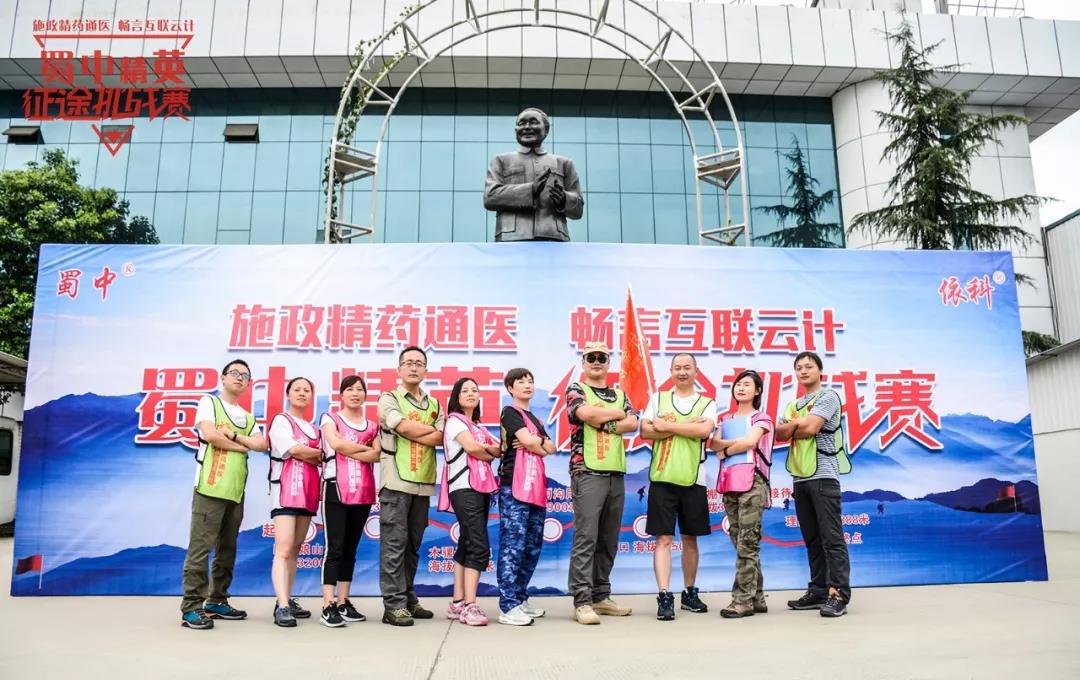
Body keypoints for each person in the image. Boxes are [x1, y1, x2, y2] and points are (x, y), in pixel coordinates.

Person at [180, 359, 268, 630]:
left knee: (227, 549)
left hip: (235, 491)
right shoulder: (210, 403)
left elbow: (261, 444)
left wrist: (234, 437)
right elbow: (210, 435)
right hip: (209, 487)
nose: (239, 378)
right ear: (223, 377)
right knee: (200, 547)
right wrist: (242, 446)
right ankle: (191, 606)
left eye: (245, 375)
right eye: (234, 373)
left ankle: (217, 600)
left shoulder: (248, 416)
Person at [564, 341, 638, 625]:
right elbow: (583, 414)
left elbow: (633, 422)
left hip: (615, 471)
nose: (596, 361)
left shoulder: (620, 394)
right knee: (586, 537)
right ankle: (582, 601)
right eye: (591, 357)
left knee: (608, 538)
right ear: (584, 362)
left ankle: (601, 595)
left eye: (602, 357)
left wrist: (604, 420)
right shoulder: (576, 389)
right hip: (587, 470)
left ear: (609, 363)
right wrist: (616, 415)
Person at [640, 353, 716, 621]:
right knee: (663, 538)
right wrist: (686, 426)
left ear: (696, 371)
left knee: (690, 538)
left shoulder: (707, 403)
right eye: (677, 367)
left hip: (694, 479)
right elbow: (645, 431)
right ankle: (664, 595)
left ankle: (689, 592)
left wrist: (666, 425)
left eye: (687, 367)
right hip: (662, 477)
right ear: (671, 371)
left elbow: (704, 431)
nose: (682, 372)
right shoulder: (658, 399)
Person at [775, 351, 852, 618]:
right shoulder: (794, 404)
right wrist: (799, 423)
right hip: (800, 478)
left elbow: (810, 429)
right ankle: (818, 590)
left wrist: (795, 425)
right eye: (799, 367)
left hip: (824, 476)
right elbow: (779, 434)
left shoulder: (828, 396)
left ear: (820, 371)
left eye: (809, 366)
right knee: (812, 539)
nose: (804, 371)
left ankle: (838, 594)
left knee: (832, 538)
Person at [377, 345, 444, 626]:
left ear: (426, 370)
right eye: (409, 363)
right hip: (396, 482)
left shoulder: (435, 404)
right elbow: (401, 426)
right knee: (394, 544)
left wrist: (414, 431)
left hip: (423, 484)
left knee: (413, 546)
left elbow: (441, 437)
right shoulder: (388, 398)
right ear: (399, 369)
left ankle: (408, 599)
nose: (414, 367)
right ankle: (393, 605)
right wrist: (426, 431)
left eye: (419, 363)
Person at [711, 369, 774, 619]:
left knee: (747, 542)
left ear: (757, 391)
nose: (741, 388)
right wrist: (731, 446)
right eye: (738, 384)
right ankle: (757, 597)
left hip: (753, 483)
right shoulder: (725, 419)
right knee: (741, 543)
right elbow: (714, 446)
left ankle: (742, 601)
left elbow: (750, 443)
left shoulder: (762, 418)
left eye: (747, 384)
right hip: (729, 483)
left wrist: (726, 448)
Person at [318, 375, 380, 628]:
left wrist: (351, 449)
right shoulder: (330, 418)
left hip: (363, 491)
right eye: (350, 389)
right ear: (341, 394)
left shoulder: (372, 426)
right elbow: (335, 444)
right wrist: (363, 449)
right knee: (334, 548)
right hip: (336, 489)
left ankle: (343, 601)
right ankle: (328, 604)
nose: (355, 393)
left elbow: (378, 455)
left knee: (350, 549)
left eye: (360, 389)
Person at [496, 368, 556, 626]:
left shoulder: (535, 419)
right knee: (513, 546)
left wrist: (536, 441)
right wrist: (536, 443)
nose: (527, 385)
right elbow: (530, 443)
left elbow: (550, 447)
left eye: (530, 381)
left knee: (532, 547)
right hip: (514, 487)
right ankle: (508, 605)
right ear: (510, 388)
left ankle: (520, 598)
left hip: (535, 488)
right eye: (521, 382)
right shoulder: (510, 412)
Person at [442, 377, 502, 626]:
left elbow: (498, 449)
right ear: (456, 397)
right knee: (478, 545)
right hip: (464, 487)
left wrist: (485, 449)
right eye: (464, 390)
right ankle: (470, 605)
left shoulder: (477, 425)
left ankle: (458, 602)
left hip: (481, 487)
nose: (470, 393)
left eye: (474, 390)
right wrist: (485, 451)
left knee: (467, 543)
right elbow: (474, 449)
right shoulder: (455, 421)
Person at [267, 377, 323, 627]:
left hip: (308, 492)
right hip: (286, 491)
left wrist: (311, 455)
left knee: (296, 549)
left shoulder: (314, 429)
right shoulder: (282, 420)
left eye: (306, 390)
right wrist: (315, 454)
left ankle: (287, 599)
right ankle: (281, 606)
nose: (302, 393)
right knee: (283, 549)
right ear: (288, 394)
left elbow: (316, 458)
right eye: (297, 389)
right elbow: (293, 450)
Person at [484, 107, 584, 242]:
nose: (527, 127)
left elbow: (578, 210)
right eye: (522, 123)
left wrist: (564, 199)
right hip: (511, 239)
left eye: (533, 122)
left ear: (546, 130)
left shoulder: (564, 163)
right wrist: (530, 190)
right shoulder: (501, 160)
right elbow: (490, 197)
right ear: (515, 130)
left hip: (553, 238)